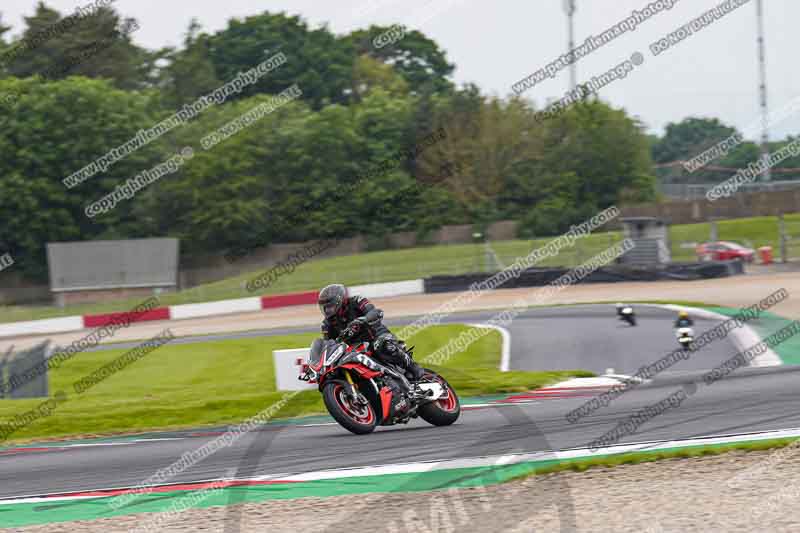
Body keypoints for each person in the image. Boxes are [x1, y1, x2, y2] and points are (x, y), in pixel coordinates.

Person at [317, 284, 424, 381]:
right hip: (355, 349)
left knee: (381, 345)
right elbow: (329, 344)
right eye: (325, 308)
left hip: (376, 335)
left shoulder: (357, 301)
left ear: (340, 302)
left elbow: (374, 311)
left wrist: (362, 320)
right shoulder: (327, 324)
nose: (327, 311)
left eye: (330, 307)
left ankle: (412, 366)